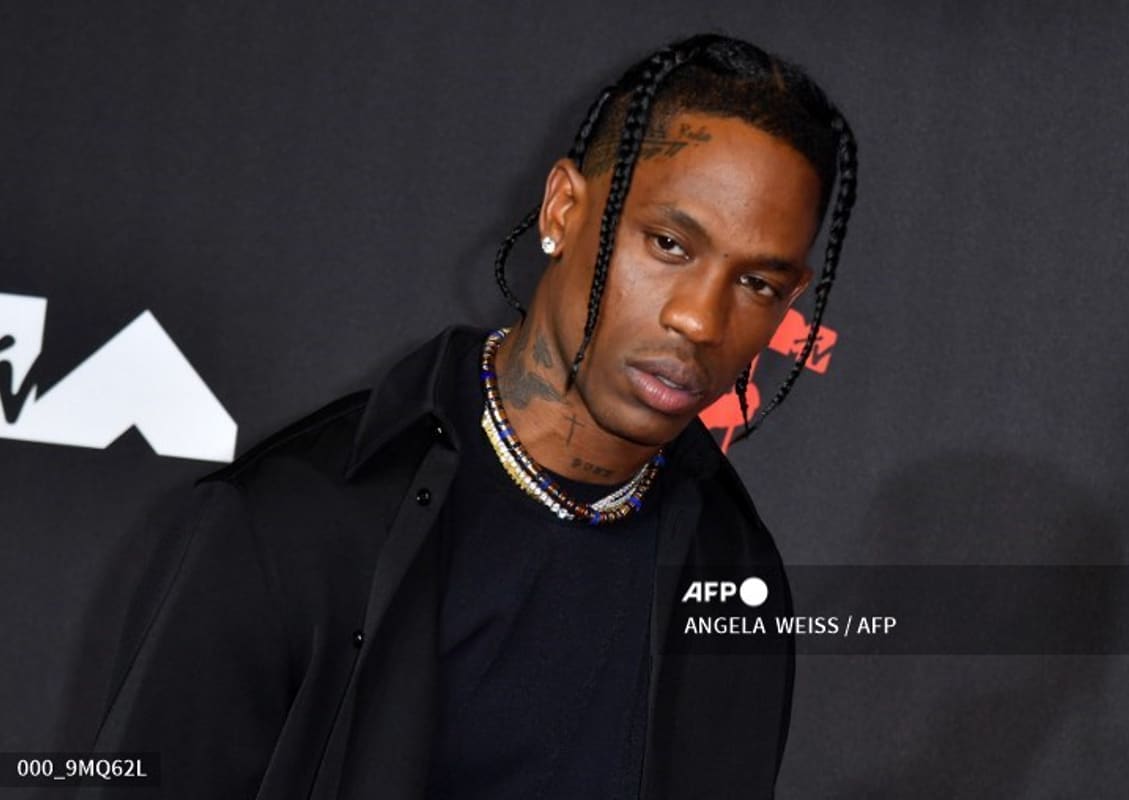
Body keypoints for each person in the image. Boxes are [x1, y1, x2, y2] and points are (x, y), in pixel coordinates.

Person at [82, 32, 857, 800]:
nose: (701, 319)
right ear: (563, 209)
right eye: (669, 244)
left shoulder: (732, 572)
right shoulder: (295, 521)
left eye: (757, 284)